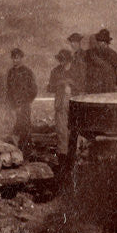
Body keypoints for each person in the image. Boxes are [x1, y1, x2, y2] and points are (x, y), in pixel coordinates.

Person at [47, 49, 77, 179]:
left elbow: (82, 85)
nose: (62, 62)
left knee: (73, 134)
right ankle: (62, 165)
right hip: (60, 106)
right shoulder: (55, 71)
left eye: (64, 59)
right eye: (60, 59)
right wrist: (59, 83)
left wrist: (71, 83)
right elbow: (49, 88)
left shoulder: (76, 71)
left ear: (69, 60)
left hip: (74, 106)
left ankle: (72, 164)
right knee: (61, 133)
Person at [6, 48, 38, 149]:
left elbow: (33, 90)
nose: (15, 60)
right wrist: (11, 105)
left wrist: (24, 103)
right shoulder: (11, 72)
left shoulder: (27, 72)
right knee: (13, 128)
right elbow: (9, 90)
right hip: (13, 105)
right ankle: (17, 151)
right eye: (13, 58)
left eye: (17, 58)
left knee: (25, 128)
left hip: (24, 105)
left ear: (21, 58)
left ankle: (25, 152)